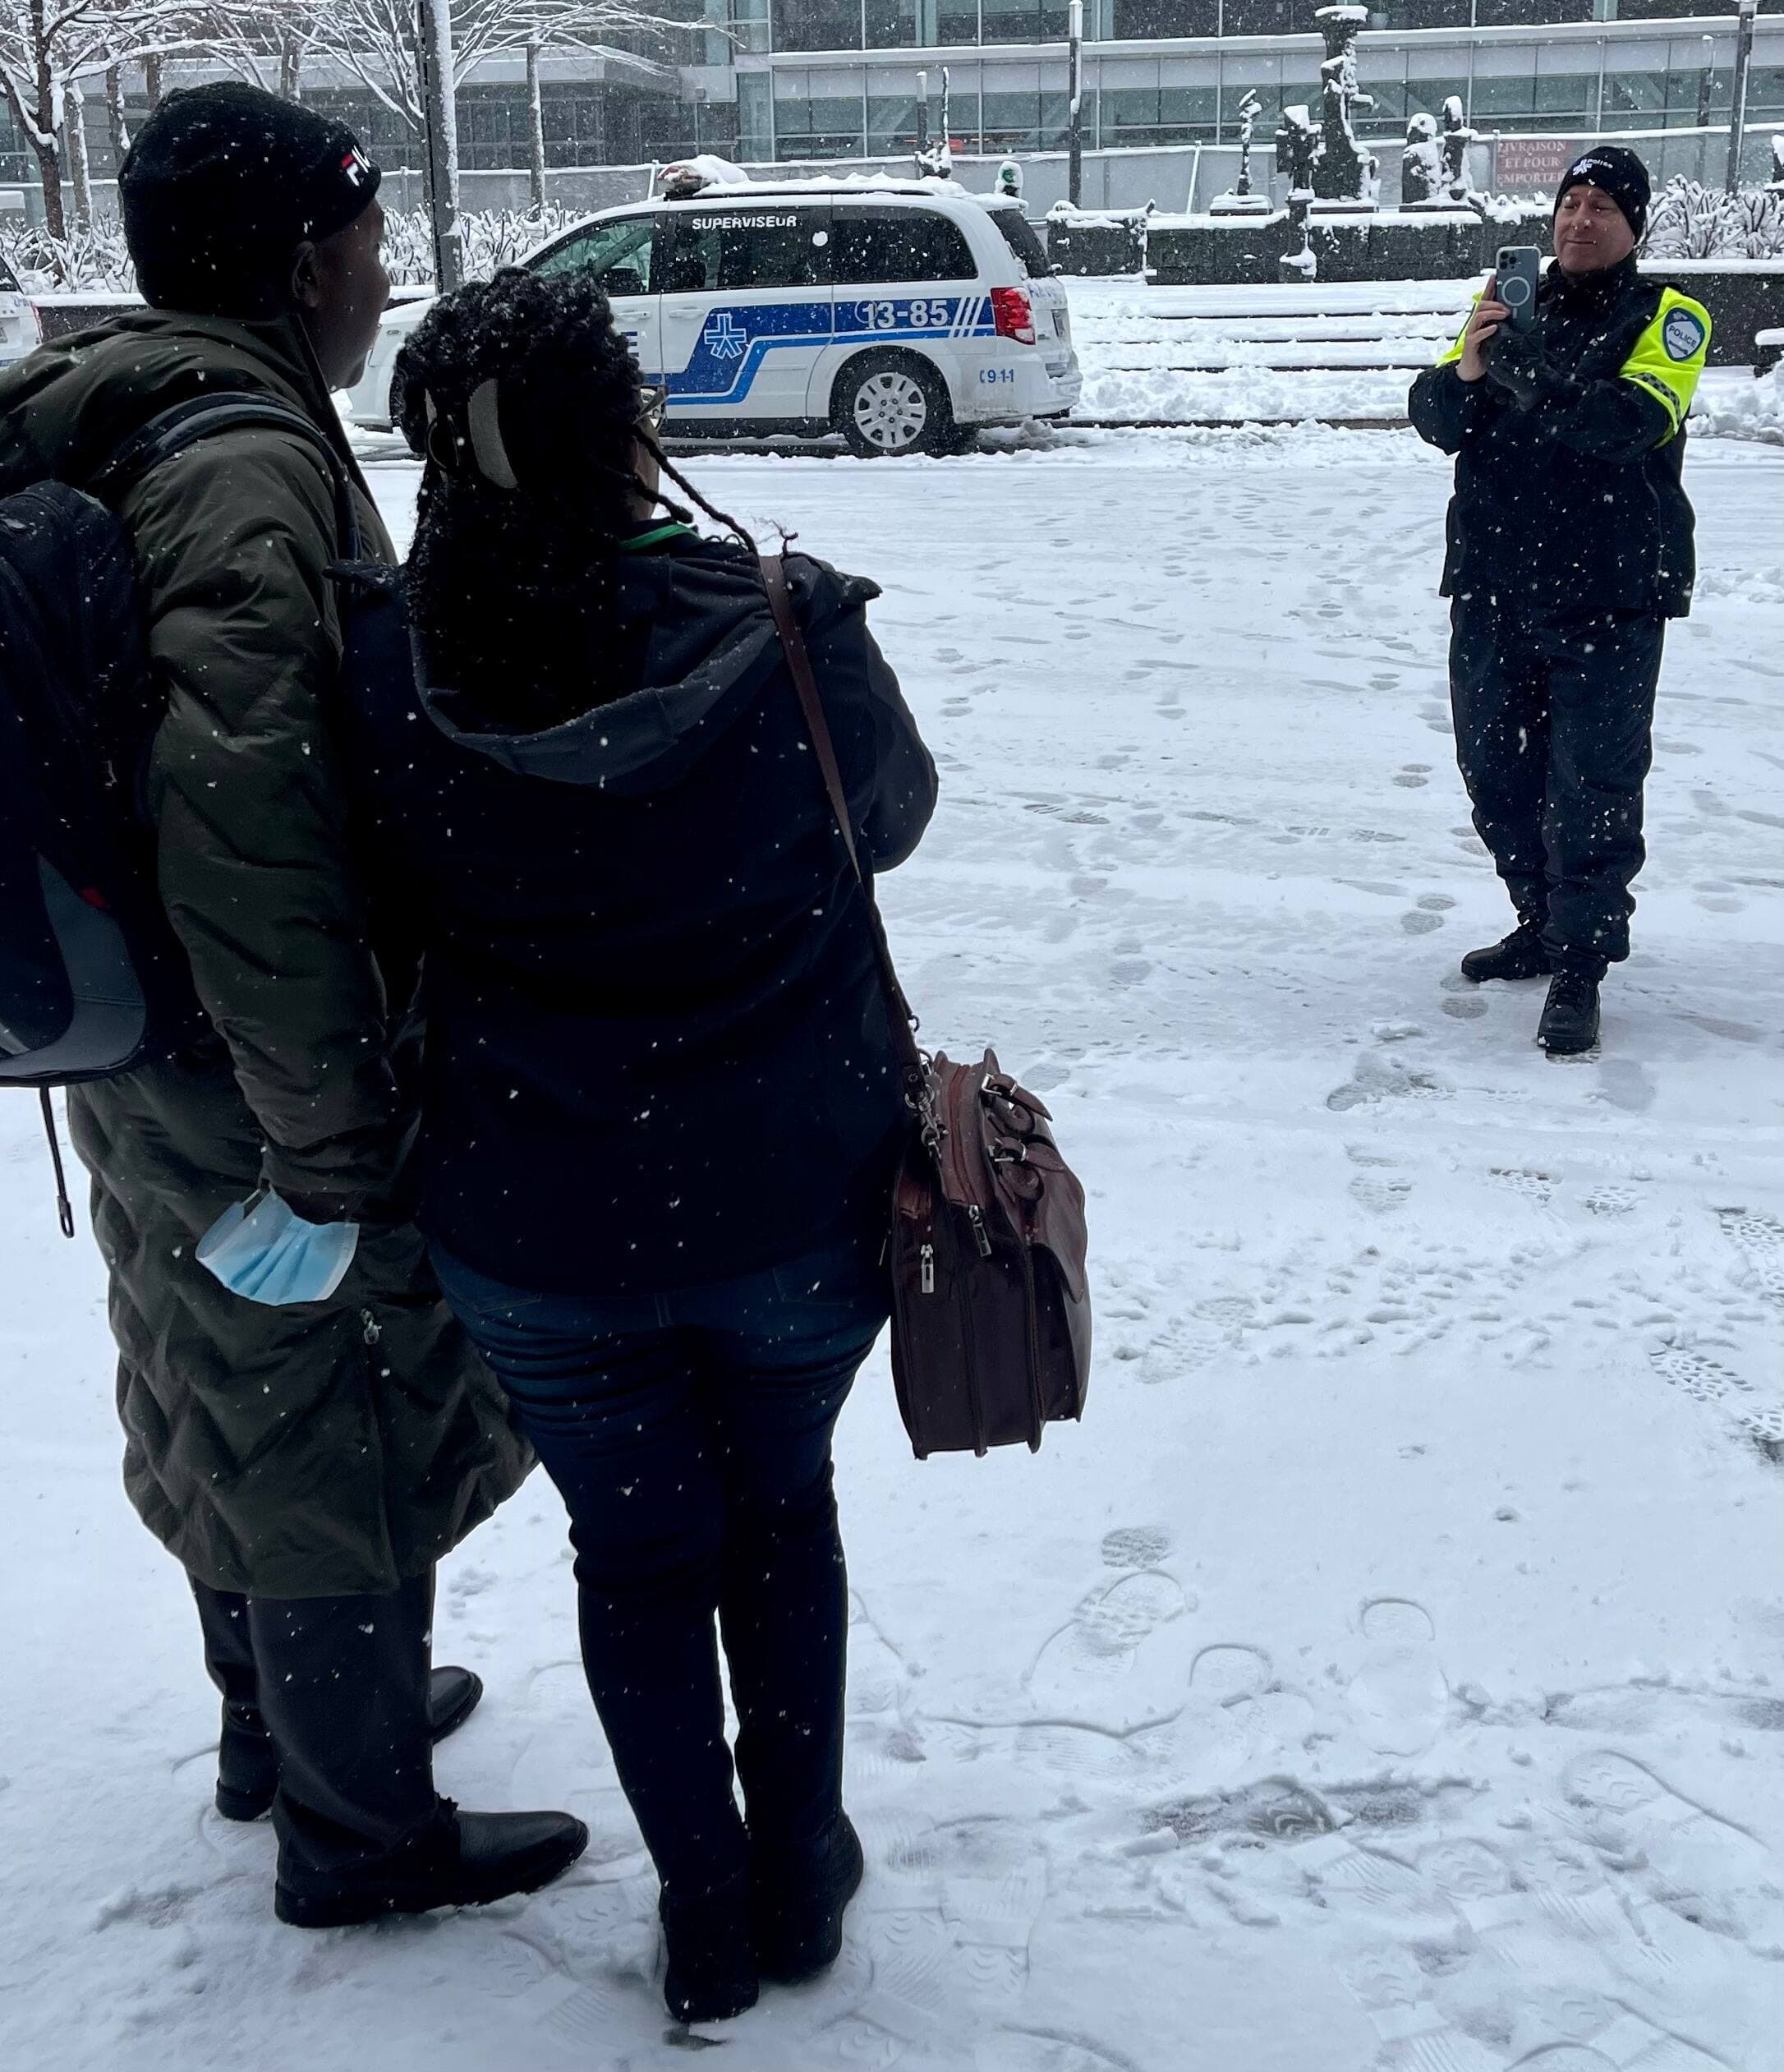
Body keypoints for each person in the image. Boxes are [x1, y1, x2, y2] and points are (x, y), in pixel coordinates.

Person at [0, 85, 586, 1925]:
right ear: (296, 260)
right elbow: (246, 805)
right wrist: (327, 1122)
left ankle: (278, 1722)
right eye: (365, 233)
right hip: (250, 1034)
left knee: (213, 1357)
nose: (383, 268)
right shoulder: (243, 461)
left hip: (139, 1025)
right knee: (323, 1391)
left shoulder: (122, 413)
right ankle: (359, 1827)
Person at [338, 268, 937, 2023]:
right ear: (633, 435)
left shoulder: (381, 668)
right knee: (783, 1516)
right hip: (796, 1195)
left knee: (641, 1553)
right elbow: (887, 821)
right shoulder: (785, 620)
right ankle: (800, 1867)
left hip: (534, 1224)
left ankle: (699, 1906)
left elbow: (369, 909)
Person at [1408, 145, 1709, 1056]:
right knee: (1494, 770)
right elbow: (1433, 416)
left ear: (1633, 227)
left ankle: (1581, 962)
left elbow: (1629, 423)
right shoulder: (1504, 306)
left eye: (1603, 207)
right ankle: (1539, 919)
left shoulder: (1673, 316)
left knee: (1594, 786)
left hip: (1609, 595)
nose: (1581, 220)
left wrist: (1534, 376)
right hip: (1495, 587)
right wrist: (1468, 368)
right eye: (1571, 202)